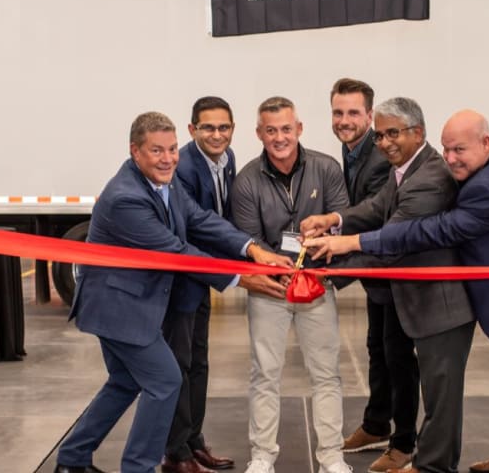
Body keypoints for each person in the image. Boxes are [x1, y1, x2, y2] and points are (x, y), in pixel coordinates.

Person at [304, 109, 489, 473]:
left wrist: (350, 243)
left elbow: (430, 231)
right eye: (446, 149)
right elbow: (385, 208)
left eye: (459, 150)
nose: (450, 159)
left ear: (485, 142)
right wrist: (338, 221)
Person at [54, 112, 292, 473]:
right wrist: (242, 278)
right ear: (135, 151)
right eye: (156, 151)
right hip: (119, 310)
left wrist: (252, 248)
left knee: (124, 382)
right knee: (165, 380)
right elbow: (176, 252)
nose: (167, 159)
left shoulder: (165, 181)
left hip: (129, 305)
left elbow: (199, 219)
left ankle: (72, 460)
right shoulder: (125, 198)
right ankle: (138, 467)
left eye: (172, 149)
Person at [301, 97, 475, 473]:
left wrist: (330, 265)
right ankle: (421, 456)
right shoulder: (405, 170)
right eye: (379, 135)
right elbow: (375, 208)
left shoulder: (428, 179)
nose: (384, 143)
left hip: (441, 305)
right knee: (421, 382)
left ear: (418, 132)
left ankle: (433, 466)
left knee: (441, 397)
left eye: (393, 133)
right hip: (416, 299)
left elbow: (392, 242)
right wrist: (332, 219)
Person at [229, 97, 352, 473]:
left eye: (286, 129)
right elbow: (250, 239)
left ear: (299, 129)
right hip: (270, 288)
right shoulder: (246, 180)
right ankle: (262, 456)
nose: (279, 137)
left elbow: (343, 218)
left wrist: (321, 240)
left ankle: (332, 456)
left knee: (326, 372)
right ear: (259, 134)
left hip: (316, 284)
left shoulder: (326, 168)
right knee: (264, 372)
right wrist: (278, 268)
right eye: (271, 130)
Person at [330, 79, 419, 473]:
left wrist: (331, 269)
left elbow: (376, 216)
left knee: (398, 357)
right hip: (376, 273)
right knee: (378, 349)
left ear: (369, 115)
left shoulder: (381, 155)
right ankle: (376, 423)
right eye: (338, 112)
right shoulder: (352, 150)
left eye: (353, 112)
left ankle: (404, 442)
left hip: (394, 267)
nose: (344, 120)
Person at [161, 97, 239, 473]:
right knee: (178, 366)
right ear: (192, 129)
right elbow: (193, 226)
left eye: (224, 127)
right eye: (208, 127)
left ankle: (194, 441)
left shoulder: (227, 159)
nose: (217, 135)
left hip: (204, 275)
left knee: (199, 363)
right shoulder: (184, 167)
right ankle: (176, 454)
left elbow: (223, 216)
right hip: (182, 279)